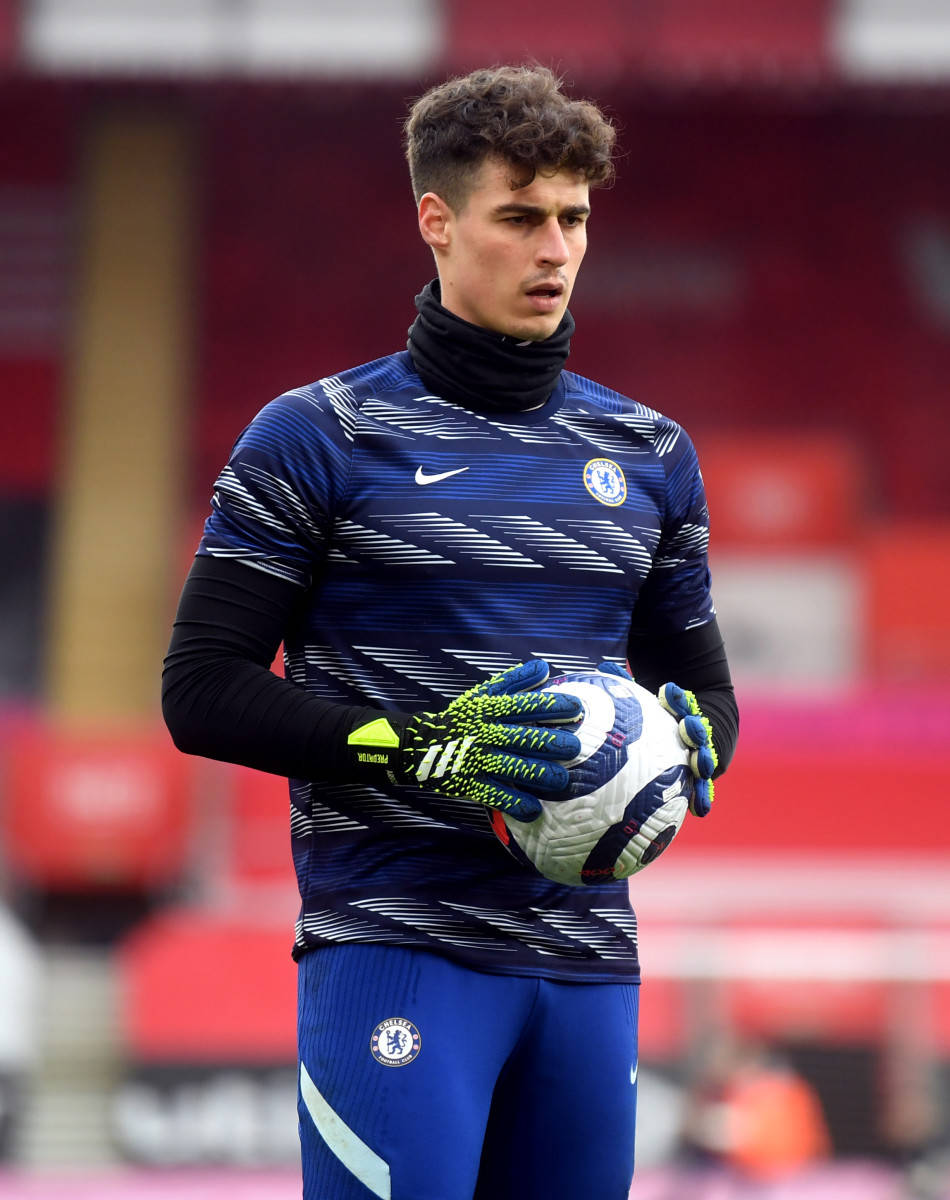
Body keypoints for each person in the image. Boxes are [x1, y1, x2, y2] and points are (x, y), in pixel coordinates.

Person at [162, 64, 739, 1200]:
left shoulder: (649, 453)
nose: (555, 249)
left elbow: (700, 690)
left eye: (572, 218)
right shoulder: (315, 437)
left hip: (585, 962)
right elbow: (201, 688)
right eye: (519, 217)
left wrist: (697, 740)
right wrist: (420, 747)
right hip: (394, 946)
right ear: (436, 220)